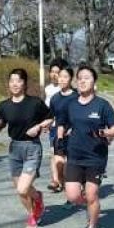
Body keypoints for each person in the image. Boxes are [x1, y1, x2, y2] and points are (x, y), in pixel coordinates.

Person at [56, 64, 114, 228]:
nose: (83, 81)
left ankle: (92, 227)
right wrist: (60, 143)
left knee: (92, 195)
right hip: (74, 156)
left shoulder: (102, 105)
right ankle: (93, 207)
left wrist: (107, 133)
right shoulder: (70, 104)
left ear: (94, 82)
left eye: (87, 78)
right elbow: (62, 124)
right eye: (80, 78)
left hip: (95, 157)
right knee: (73, 195)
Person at [0, 69, 53, 228]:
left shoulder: (35, 103)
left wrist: (38, 126)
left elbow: (50, 118)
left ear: (24, 83)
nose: (15, 84)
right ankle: (33, 213)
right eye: (12, 81)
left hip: (32, 147)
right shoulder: (4, 105)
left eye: (18, 80)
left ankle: (37, 198)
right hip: (14, 149)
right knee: (21, 190)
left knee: (22, 188)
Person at [49, 67, 78, 194]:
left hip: (74, 134)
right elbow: (51, 116)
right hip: (59, 134)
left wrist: (73, 128)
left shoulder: (77, 96)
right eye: (60, 76)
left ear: (71, 78)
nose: (62, 79)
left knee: (70, 165)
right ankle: (61, 183)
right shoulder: (55, 98)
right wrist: (45, 125)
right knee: (59, 163)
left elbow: (80, 115)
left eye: (65, 77)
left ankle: (70, 193)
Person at [44, 58, 69, 192]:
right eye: (52, 72)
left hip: (65, 127)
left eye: (57, 72)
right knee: (53, 154)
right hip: (53, 127)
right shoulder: (48, 89)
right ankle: (55, 180)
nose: (54, 75)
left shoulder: (65, 90)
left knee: (64, 156)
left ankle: (65, 179)